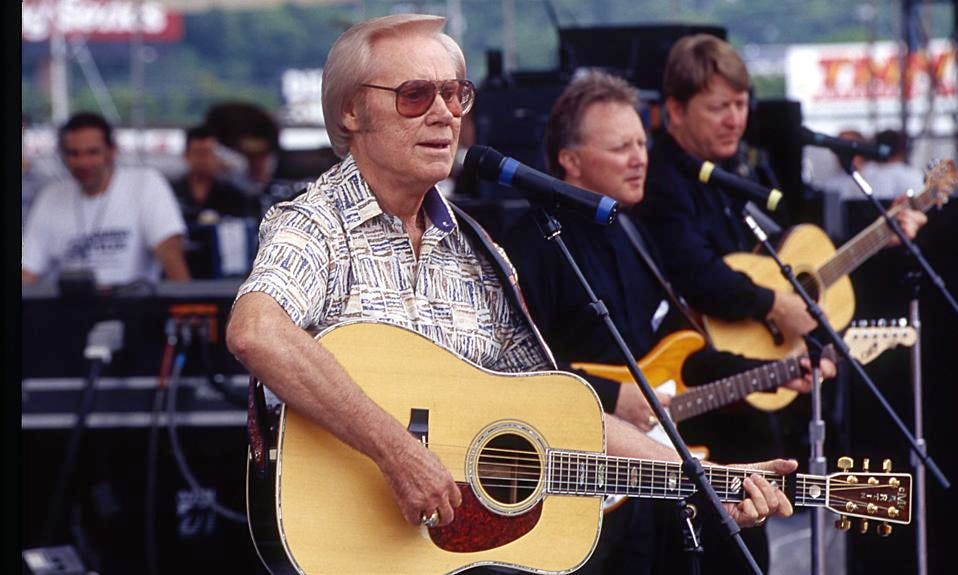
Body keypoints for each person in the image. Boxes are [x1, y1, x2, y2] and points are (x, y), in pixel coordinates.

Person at [225, 14, 796, 574]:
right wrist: (396, 452)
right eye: (415, 95)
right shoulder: (316, 224)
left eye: (455, 95)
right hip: (340, 543)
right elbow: (257, 331)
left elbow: (558, 413)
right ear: (351, 111)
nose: (444, 114)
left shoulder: (477, 252)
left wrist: (701, 480)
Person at [504, 70, 834, 575]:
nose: (640, 158)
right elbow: (511, 369)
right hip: (572, 481)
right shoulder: (532, 246)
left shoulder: (633, 233)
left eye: (641, 142)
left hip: (646, 483)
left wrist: (771, 370)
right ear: (569, 160)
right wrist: (613, 397)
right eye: (620, 148)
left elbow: (680, 349)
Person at [642, 34, 928, 344]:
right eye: (718, 107)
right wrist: (776, 305)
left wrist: (879, 234)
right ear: (676, 110)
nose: (734, 120)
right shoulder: (660, 180)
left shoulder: (735, 170)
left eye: (740, 105)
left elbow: (782, 256)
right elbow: (697, 274)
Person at [22, 112, 190, 286]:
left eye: (93, 152)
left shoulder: (145, 183)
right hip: (68, 308)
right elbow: (28, 269)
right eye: (74, 154)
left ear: (112, 151)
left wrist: (186, 303)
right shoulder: (50, 196)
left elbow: (170, 251)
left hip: (132, 306)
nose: (84, 162)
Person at [171, 124, 260, 225]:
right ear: (186, 155)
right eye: (197, 153)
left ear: (216, 156)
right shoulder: (171, 192)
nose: (203, 160)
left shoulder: (233, 195)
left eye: (207, 153)